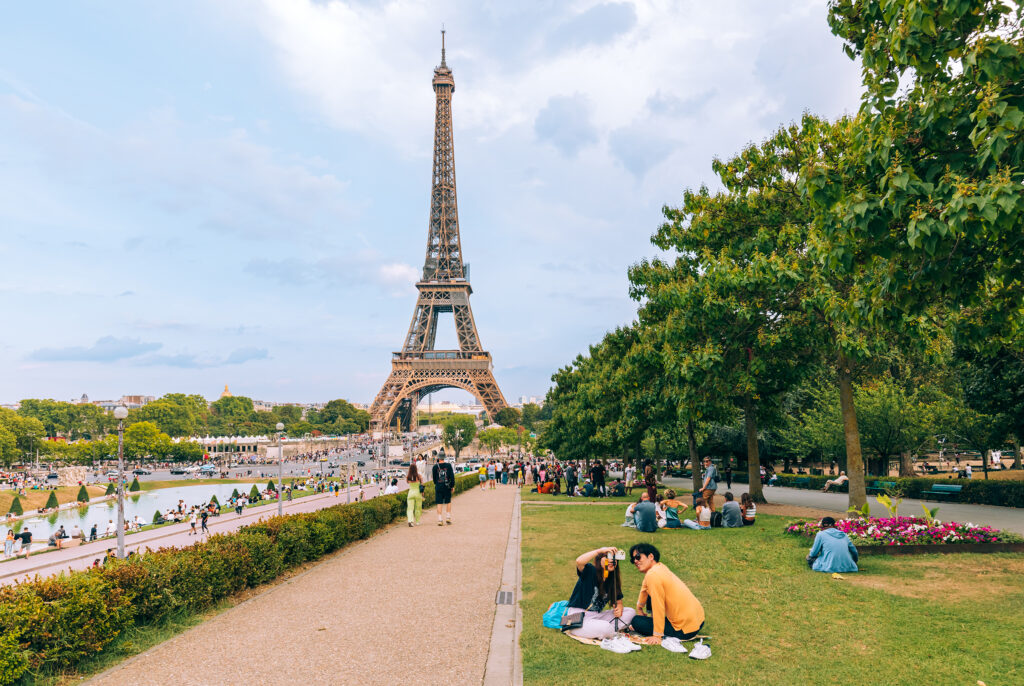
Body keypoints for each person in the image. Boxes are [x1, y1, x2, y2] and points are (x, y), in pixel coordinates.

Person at [628, 543, 705, 643]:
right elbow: (645, 587)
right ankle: (652, 620)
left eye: (638, 557)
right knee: (649, 594)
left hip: (684, 630)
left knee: (636, 621)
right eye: (633, 559)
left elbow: (658, 605)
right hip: (698, 621)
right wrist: (639, 606)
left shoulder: (653, 575)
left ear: (651, 556)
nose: (635, 561)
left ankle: (655, 626)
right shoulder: (660, 567)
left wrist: (657, 635)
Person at [564, 546, 637, 639]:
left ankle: (605, 630)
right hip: (578, 617)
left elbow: (619, 602)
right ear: (599, 559)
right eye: (607, 557)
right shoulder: (590, 571)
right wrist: (600, 550)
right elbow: (579, 561)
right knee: (605, 627)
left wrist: (619, 608)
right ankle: (607, 630)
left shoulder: (612, 580)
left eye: (614, 559)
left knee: (630, 612)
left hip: (597, 616)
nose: (611, 561)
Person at [432, 456, 456, 526]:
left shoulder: (435, 467)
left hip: (439, 486)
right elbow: (452, 476)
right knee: (448, 501)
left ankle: (440, 519)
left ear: (438, 458)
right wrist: (452, 486)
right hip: (447, 486)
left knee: (439, 502)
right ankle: (448, 517)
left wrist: (437, 483)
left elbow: (434, 478)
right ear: (444, 458)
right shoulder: (448, 465)